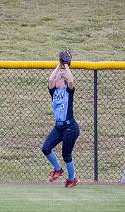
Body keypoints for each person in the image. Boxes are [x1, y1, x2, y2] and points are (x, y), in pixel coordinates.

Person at [41, 51, 80, 188]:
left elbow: (70, 80)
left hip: (70, 128)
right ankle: (58, 169)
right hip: (59, 127)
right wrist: (59, 65)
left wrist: (67, 66)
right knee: (46, 148)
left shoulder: (68, 91)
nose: (55, 78)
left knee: (66, 155)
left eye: (58, 78)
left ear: (62, 82)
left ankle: (72, 179)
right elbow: (50, 80)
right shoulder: (54, 92)